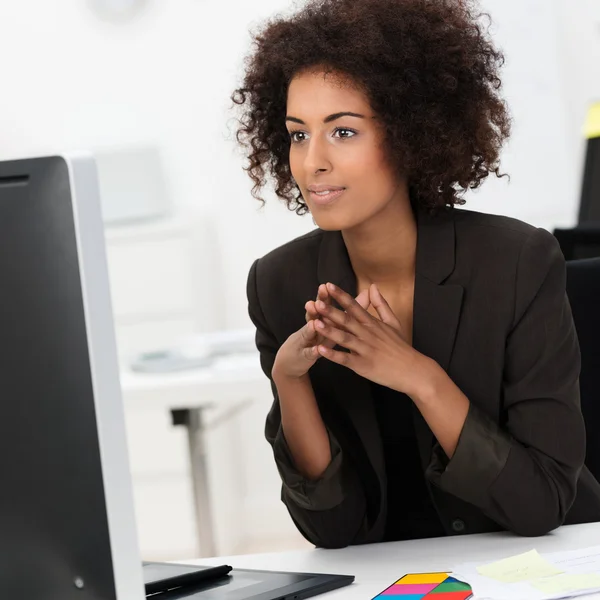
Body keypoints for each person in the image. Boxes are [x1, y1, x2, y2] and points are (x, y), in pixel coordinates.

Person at [232, 0, 600, 549]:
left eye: (344, 132)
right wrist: (290, 382)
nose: (312, 163)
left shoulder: (517, 262)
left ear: (409, 134)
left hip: (543, 565)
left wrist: (416, 375)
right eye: (298, 134)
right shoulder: (279, 284)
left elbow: (540, 504)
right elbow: (331, 530)